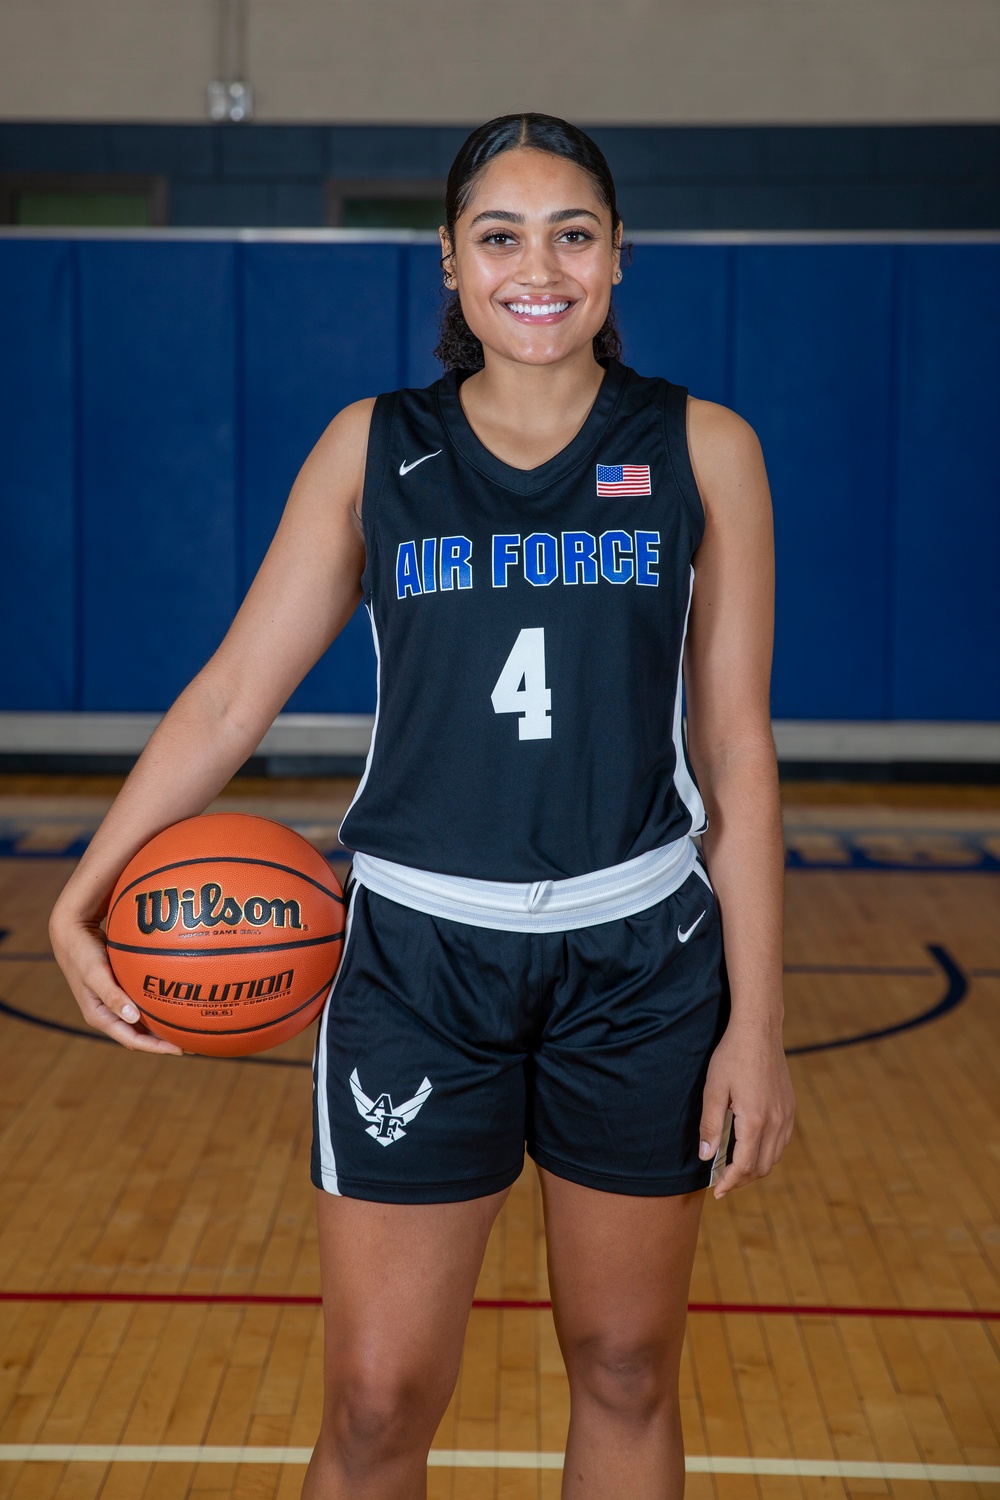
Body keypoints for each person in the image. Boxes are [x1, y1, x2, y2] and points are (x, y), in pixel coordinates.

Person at [50, 113, 795, 1500]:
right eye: (500, 235)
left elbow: (737, 754)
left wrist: (756, 1021)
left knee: (629, 1367)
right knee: (381, 1400)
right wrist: (81, 887)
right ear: (449, 263)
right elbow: (226, 702)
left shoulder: (706, 450)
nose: (539, 266)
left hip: (641, 963)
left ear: (620, 256)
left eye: (573, 233)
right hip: (415, 963)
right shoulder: (372, 448)